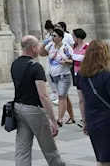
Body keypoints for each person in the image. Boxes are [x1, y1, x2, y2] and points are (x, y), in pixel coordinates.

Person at [9, 35, 64, 166]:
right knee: (50, 149)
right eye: (38, 45)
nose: (40, 47)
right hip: (34, 110)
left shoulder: (15, 64)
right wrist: (53, 120)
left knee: (22, 150)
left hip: (18, 108)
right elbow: (43, 96)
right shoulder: (36, 67)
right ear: (33, 48)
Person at [46, 30, 75, 126]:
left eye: (54, 36)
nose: (53, 37)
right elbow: (41, 52)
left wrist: (66, 61)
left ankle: (59, 119)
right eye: (52, 36)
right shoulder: (50, 46)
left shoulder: (66, 47)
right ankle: (72, 116)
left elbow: (73, 60)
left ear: (60, 37)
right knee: (65, 96)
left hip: (64, 75)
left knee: (61, 97)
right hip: (54, 76)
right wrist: (44, 42)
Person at [71, 28, 89, 127]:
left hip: (84, 74)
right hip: (76, 74)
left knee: (86, 97)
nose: (73, 38)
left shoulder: (87, 47)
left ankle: (87, 118)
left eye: (74, 36)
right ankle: (84, 120)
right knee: (81, 99)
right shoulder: (75, 47)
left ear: (78, 37)